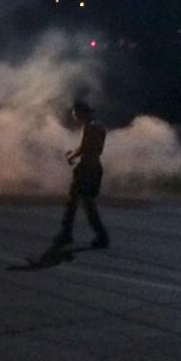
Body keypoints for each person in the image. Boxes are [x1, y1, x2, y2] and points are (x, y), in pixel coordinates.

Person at [51, 100, 109, 250]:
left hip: (86, 170)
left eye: (76, 113)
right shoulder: (99, 126)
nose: (75, 116)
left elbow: (85, 148)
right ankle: (97, 235)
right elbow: (91, 147)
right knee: (83, 204)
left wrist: (71, 157)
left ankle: (69, 234)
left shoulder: (90, 127)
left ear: (81, 112)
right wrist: (75, 153)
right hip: (94, 168)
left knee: (76, 204)